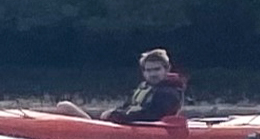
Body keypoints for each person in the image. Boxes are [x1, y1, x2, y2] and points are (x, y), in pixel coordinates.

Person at [50, 49, 186, 124]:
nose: (152, 74)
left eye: (157, 69)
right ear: (143, 72)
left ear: (167, 69)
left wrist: (116, 115)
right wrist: (115, 113)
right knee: (64, 106)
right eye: (148, 70)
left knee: (65, 107)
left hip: (145, 130)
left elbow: (151, 115)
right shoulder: (146, 87)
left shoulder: (169, 93)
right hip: (127, 125)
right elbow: (128, 107)